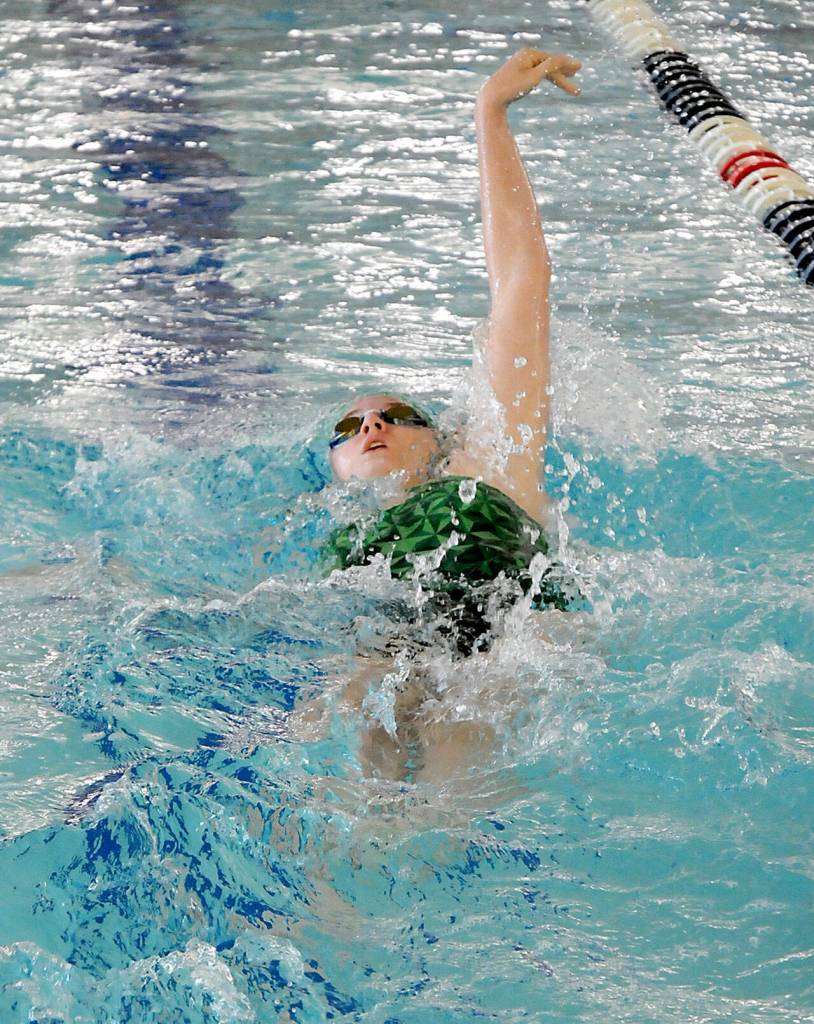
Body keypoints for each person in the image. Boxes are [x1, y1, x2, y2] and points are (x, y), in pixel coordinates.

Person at [300, 48, 583, 782]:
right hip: (382, 646)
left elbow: (522, 279)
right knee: (339, 729)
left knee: (451, 768)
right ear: (332, 469)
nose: (371, 426)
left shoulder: (490, 457)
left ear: (439, 436)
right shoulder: (337, 542)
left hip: (511, 649)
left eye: (396, 414)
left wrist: (489, 113)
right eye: (349, 426)